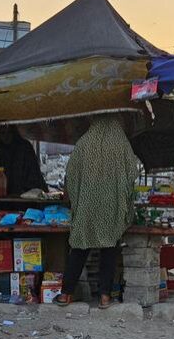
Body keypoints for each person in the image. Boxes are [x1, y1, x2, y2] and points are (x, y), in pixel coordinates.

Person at [54, 115, 140, 308]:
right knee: (109, 251)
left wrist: (79, 200)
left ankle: (66, 294)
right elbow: (132, 173)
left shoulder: (84, 143)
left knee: (79, 248)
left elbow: (72, 175)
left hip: (87, 206)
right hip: (112, 206)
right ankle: (104, 297)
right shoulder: (121, 143)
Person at [0, 126, 48, 196]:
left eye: (9, 133)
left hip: (28, 195)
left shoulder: (25, 148)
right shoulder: (0, 154)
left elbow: (33, 175)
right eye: (2, 133)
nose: (6, 136)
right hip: (6, 198)